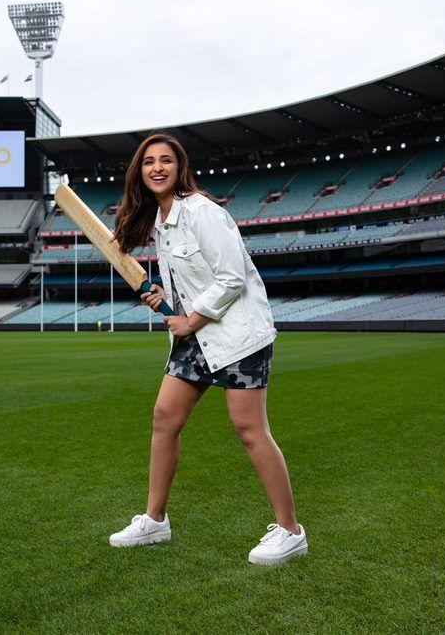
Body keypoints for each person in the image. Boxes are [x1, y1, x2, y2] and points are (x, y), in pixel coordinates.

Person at [108, 132, 307, 565]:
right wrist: (165, 297)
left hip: (238, 334)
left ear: (180, 168)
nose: (157, 168)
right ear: (139, 173)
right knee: (165, 417)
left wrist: (192, 317)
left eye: (166, 161)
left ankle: (291, 530)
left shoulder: (203, 212)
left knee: (249, 428)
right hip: (194, 338)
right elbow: (193, 282)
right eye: (148, 162)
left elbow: (232, 276)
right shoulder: (161, 223)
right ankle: (155, 520)